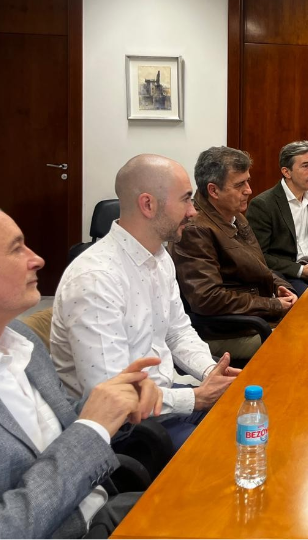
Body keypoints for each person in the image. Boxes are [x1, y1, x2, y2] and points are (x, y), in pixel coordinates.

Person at [0, 200, 164, 539]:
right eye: (16, 249)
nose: (36, 259)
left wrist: (117, 402)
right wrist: (93, 427)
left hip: (103, 509)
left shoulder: (20, 338)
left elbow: (63, 427)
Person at [51, 155, 239, 449]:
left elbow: (178, 332)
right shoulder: (96, 279)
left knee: (254, 419)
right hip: (127, 429)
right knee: (227, 450)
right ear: (148, 204)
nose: (193, 211)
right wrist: (195, 398)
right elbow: (114, 396)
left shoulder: (159, 257)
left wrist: (209, 372)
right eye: (186, 200)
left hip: (166, 399)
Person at [169, 147, 298, 360]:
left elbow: (259, 266)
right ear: (213, 190)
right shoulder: (195, 229)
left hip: (255, 320)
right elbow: (208, 299)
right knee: (306, 345)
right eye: (239, 185)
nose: (249, 190)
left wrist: (281, 288)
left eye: (247, 181)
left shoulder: (235, 216)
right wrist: (273, 305)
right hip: (228, 332)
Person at [247, 140, 308, 297]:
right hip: (284, 274)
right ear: (286, 172)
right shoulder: (263, 204)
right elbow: (258, 256)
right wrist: (301, 270)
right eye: (305, 166)